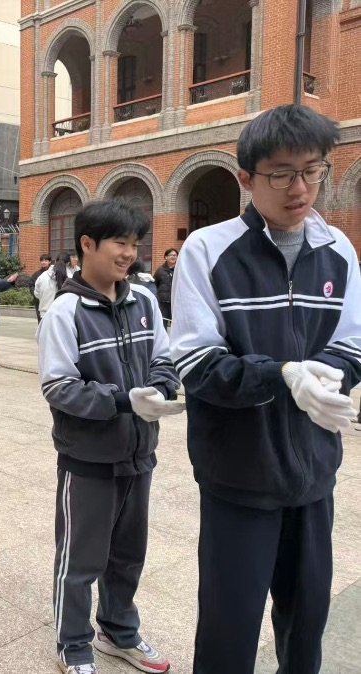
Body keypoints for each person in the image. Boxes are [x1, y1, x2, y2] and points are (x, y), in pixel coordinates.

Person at [170, 105, 361, 674]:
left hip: (314, 476)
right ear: (247, 179)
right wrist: (284, 375)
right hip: (239, 477)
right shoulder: (208, 251)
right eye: (281, 174)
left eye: (312, 170)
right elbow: (197, 364)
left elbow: (353, 343)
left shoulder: (338, 250)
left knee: (306, 626)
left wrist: (327, 375)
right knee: (229, 630)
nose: (299, 188)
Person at [37, 200, 183, 674]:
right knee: (80, 560)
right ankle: (73, 644)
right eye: (120, 242)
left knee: (128, 555)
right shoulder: (65, 311)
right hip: (89, 460)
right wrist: (123, 401)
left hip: (139, 453)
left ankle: (119, 631)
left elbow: (164, 357)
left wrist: (159, 389)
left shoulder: (143, 301)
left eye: (134, 244)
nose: (129, 253)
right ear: (87, 244)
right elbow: (58, 387)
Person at [153, 249, 177, 326]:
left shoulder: (179, 270)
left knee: (176, 324)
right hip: (163, 302)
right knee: (163, 324)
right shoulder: (160, 271)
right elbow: (155, 284)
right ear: (166, 257)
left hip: (176, 302)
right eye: (171, 255)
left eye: (175, 255)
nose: (174, 257)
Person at [32, 254, 53, 321]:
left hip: (51, 300)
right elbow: (32, 286)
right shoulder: (36, 274)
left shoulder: (53, 274)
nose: (43, 262)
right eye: (42, 261)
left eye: (46, 261)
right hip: (39, 301)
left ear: (50, 262)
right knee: (41, 320)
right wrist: (38, 296)